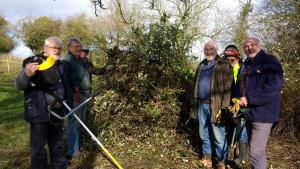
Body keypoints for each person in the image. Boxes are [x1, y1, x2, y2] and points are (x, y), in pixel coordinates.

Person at [15, 36, 68, 169]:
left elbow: (65, 85)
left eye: (59, 48)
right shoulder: (32, 62)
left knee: (57, 145)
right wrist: (27, 74)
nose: (57, 50)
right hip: (39, 111)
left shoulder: (61, 64)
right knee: (38, 149)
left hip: (58, 112)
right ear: (45, 48)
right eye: (54, 47)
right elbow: (19, 85)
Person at [64, 38, 114, 160]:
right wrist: (73, 90)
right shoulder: (67, 60)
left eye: (80, 47)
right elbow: (64, 78)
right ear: (69, 47)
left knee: (81, 121)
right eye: (76, 47)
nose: (80, 49)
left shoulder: (83, 61)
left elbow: (94, 71)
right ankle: (71, 151)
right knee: (74, 123)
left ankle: (78, 147)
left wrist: (106, 69)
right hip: (76, 96)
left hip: (86, 95)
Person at [239, 37, 284, 169]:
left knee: (255, 152)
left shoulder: (270, 61)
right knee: (255, 151)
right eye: (246, 46)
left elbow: (274, 86)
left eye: (252, 44)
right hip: (248, 113)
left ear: (259, 45)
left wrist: (249, 98)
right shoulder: (246, 63)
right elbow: (240, 85)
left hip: (263, 114)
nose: (249, 48)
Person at [192, 40, 233, 169]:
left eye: (211, 49)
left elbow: (229, 88)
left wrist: (224, 107)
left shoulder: (224, 65)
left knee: (218, 136)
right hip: (201, 105)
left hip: (216, 106)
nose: (208, 52)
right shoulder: (201, 65)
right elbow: (195, 85)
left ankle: (221, 162)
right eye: (206, 50)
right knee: (203, 134)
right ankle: (207, 159)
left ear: (216, 50)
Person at [223, 45, 248, 167]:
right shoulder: (224, 70)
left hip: (242, 105)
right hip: (229, 105)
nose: (229, 62)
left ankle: (242, 159)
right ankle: (229, 156)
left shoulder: (244, 69)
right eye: (227, 60)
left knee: (241, 131)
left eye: (232, 59)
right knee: (229, 130)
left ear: (237, 58)